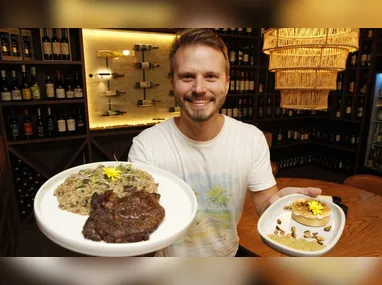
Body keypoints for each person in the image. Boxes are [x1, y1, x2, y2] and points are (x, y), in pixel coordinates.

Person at [128, 28, 321, 257]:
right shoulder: (146, 146)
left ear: (227, 83)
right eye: (187, 76)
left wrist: (282, 205)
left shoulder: (251, 138)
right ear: (172, 82)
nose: (199, 88)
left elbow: (265, 203)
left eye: (211, 76)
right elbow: (138, 221)